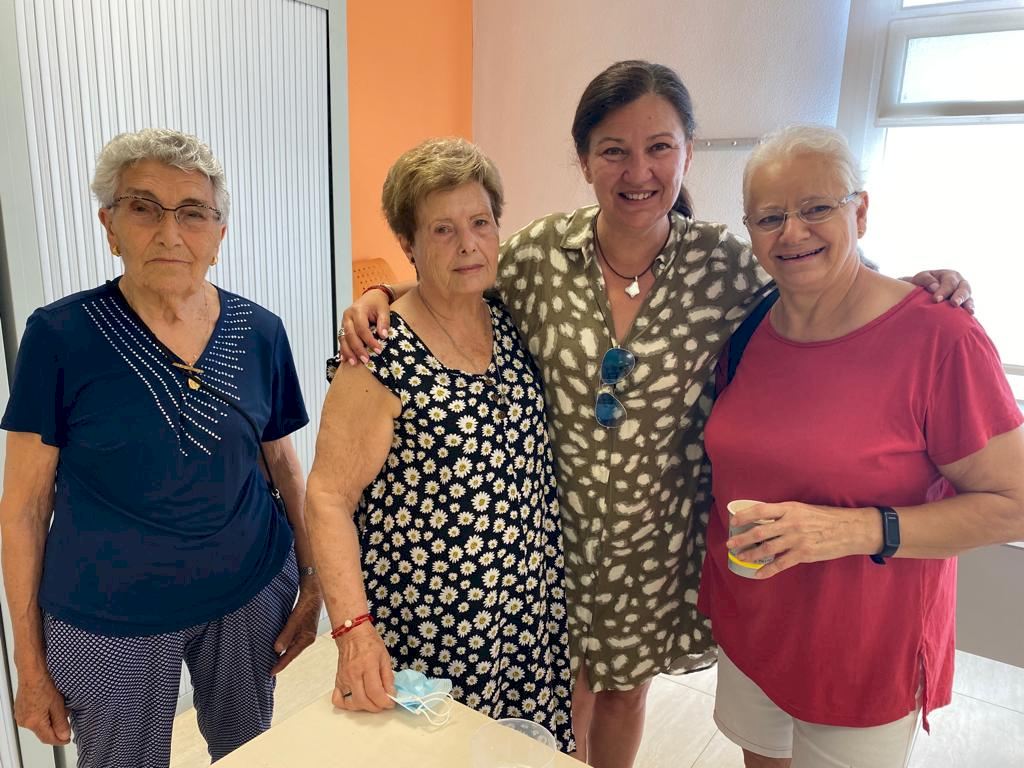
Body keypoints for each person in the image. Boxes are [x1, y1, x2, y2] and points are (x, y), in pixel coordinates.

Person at [335, 62, 971, 768]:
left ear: (688, 153)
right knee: (557, 693)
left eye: (660, 147)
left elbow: (819, 275)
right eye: (613, 150)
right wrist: (380, 297)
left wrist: (911, 284)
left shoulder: (724, 267)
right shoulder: (541, 254)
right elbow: (460, 273)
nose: (638, 171)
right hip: (545, 538)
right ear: (584, 160)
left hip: (655, 538)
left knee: (622, 692)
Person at [697, 124, 1024, 768]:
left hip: (865, 652)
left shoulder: (939, 339)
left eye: (817, 207)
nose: (793, 232)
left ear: (861, 211)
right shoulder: (749, 325)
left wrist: (854, 530)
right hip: (754, 625)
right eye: (770, 217)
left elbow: (1015, 504)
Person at [0, 128, 321, 768]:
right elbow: (25, 508)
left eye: (193, 213)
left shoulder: (260, 331)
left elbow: (284, 464)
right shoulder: (60, 336)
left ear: (219, 235)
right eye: (144, 208)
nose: (170, 233)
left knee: (246, 751)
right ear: (110, 226)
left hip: (249, 593)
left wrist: (313, 583)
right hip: (107, 619)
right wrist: (29, 667)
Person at [304, 138, 575, 750]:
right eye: (442, 230)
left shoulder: (508, 316)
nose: (467, 244)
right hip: (431, 630)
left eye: (480, 223)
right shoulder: (379, 353)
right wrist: (353, 632)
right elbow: (327, 496)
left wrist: (381, 287)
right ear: (410, 243)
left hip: (526, 620)